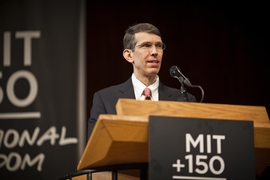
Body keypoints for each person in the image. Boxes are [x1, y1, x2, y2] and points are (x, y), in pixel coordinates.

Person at [88, 23, 196, 138]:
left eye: (159, 46)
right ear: (129, 55)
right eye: (146, 45)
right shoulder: (106, 99)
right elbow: (95, 149)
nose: (155, 52)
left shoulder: (185, 100)